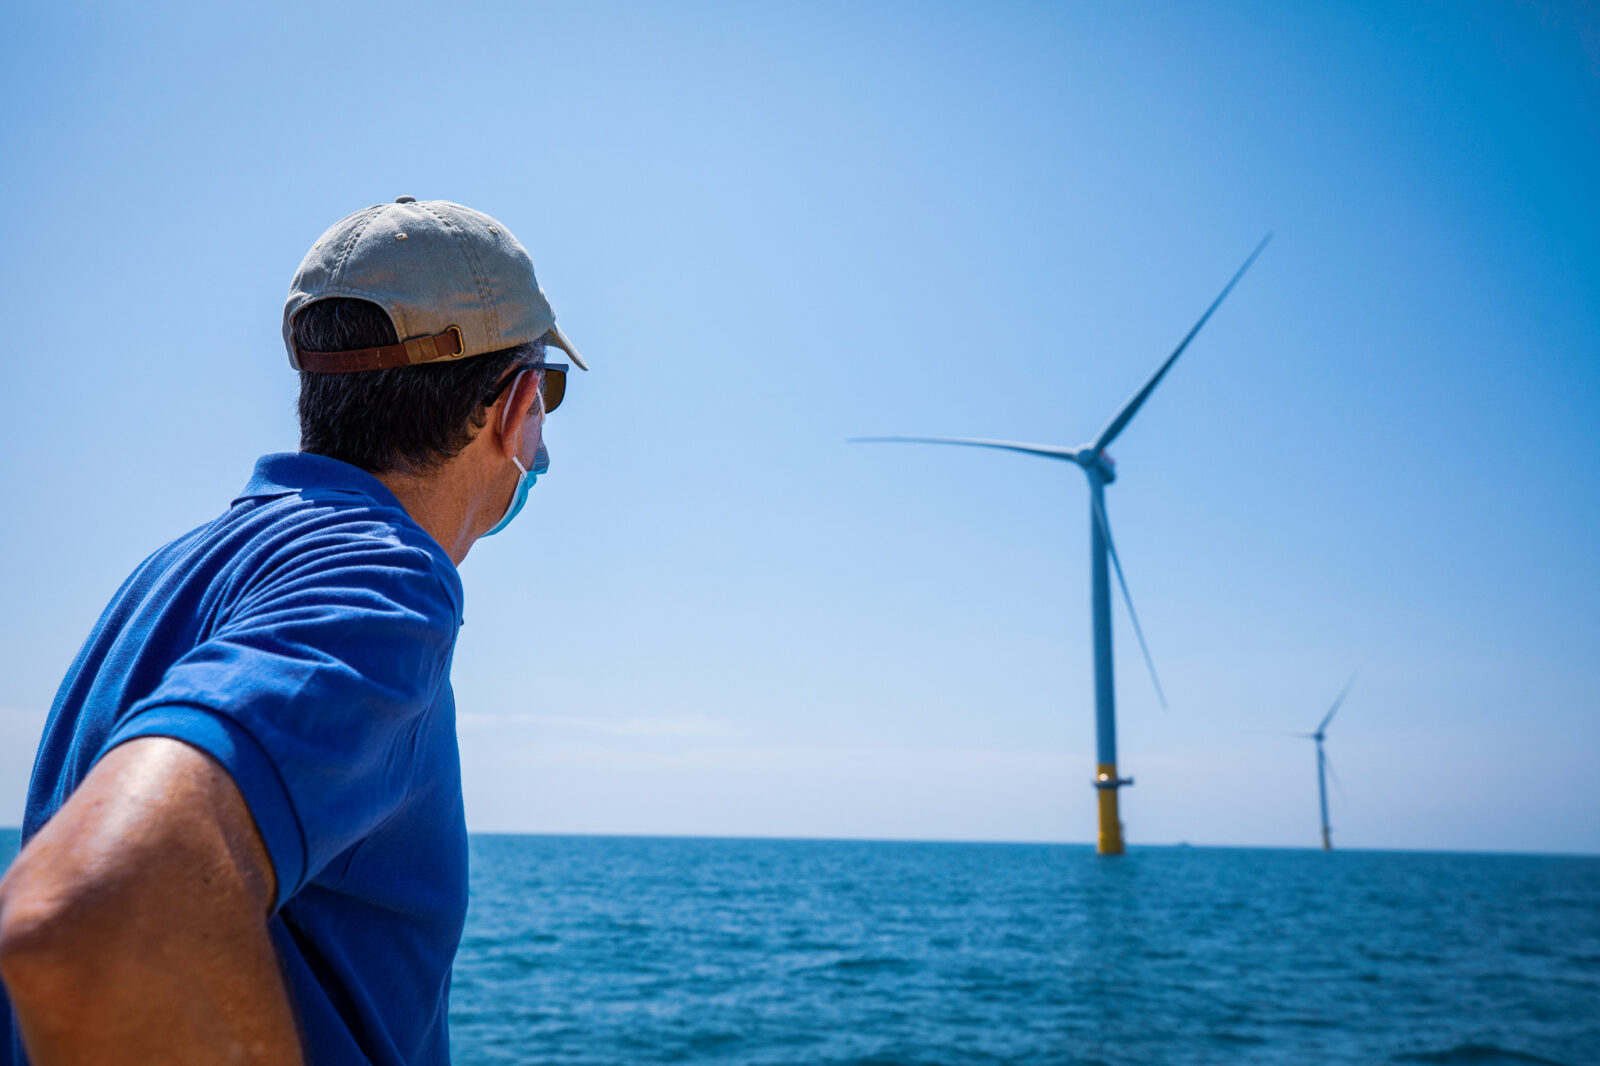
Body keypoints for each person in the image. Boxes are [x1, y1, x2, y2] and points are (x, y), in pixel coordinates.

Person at [0, 197, 587, 1065]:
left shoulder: (165, 576)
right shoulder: (383, 580)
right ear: (516, 405)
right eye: (551, 397)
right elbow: (86, 913)